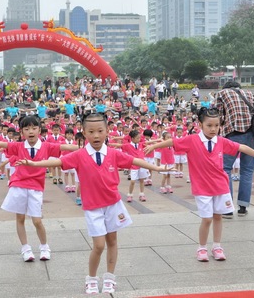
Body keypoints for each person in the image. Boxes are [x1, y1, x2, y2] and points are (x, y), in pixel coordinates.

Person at [17, 113, 171, 294]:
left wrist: (157, 168)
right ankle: (91, 278)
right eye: (91, 131)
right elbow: (58, 161)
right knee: (98, 245)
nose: (96, 136)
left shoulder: (113, 153)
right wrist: (34, 164)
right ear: (84, 132)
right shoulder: (79, 155)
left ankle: (110, 277)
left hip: (113, 205)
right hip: (93, 208)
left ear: (107, 131)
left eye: (100, 131)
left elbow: (134, 161)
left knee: (112, 241)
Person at [145, 107, 254, 263]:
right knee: (207, 219)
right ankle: (202, 248)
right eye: (209, 125)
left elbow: (241, 148)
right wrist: (153, 146)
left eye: (216, 126)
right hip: (202, 188)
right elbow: (173, 142)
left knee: (218, 216)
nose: (213, 129)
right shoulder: (192, 140)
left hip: (221, 186)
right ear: (200, 124)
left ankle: (217, 246)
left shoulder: (221, 141)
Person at [0, 116, 78, 263]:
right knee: (20, 218)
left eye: (34, 128)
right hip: (19, 184)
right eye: (27, 129)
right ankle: (26, 249)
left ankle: (44, 247)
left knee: (37, 220)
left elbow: (67, 147)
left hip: (36, 186)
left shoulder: (47, 146)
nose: (31, 131)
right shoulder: (18, 146)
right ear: (22, 131)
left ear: (39, 130)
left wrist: (92, 146)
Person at [215, 81, 254, 218]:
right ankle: (243, 207)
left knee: (225, 169)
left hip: (232, 134)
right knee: (247, 170)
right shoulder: (250, 93)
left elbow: (217, 116)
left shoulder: (222, 94)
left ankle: (227, 208)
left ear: (226, 87)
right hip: (252, 135)